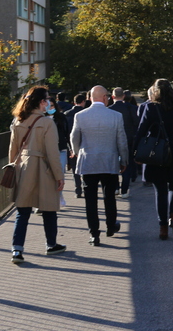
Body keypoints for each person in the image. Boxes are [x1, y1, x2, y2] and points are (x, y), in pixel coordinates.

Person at [8, 85, 66, 264]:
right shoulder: (47, 122)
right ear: (42, 102)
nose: (49, 102)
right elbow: (53, 153)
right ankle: (51, 244)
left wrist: (13, 168)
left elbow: (13, 149)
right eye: (47, 99)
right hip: (43, 167)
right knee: (49, 207)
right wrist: (59, 176)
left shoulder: (18, 121)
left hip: (24, 167)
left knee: (22, 211)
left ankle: (17, 250)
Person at [70, 85, 129, 246]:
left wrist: (77, 152)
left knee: (90, 200)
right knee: (109, 196)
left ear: (90, 98)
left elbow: (74, 137)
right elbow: (122, 141)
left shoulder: (80, 116)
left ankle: (94, 234)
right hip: (109, 162)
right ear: (105, 98)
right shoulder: (116, 116)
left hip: (88, 162)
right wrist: (124, 160)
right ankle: (111, 226)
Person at [134, 78, 173, 240]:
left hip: (156, 152)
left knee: (160, 190)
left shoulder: (150, 107)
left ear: (155, 91)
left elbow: (141, 131)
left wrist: (135, 151)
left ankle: (163, 227)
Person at [110, 87, 138, 197]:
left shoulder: (109, 109)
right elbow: (137, 124)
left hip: (113, 140)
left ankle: (116, 187)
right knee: (128, 164)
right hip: (129, 140)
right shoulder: (132, 108)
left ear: (112, 97)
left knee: (114, 165)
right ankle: (125, 190)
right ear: (124, 96)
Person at [64, 93, 88, 198]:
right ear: (83, 102)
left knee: (75, 168)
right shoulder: (85, 113)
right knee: (85, 167)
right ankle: (85, 185)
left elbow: (65, 131)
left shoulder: (66, 114)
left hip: (71, 144)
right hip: (85, 144)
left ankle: (78, 188)